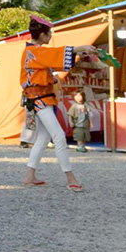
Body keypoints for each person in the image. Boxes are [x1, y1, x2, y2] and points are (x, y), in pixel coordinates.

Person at [20, 16, 98, 191]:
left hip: (38, 99)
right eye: (49, 33)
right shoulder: (35, 52)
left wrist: (79, 52)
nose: (50, 36)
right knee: (59, 136)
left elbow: (53, 58)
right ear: (42, 34)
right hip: (39, 99)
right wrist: (79, 48)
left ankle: (29, 176)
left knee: (44, 137)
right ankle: (70, 178)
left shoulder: (34, 52)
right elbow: (54, 55)